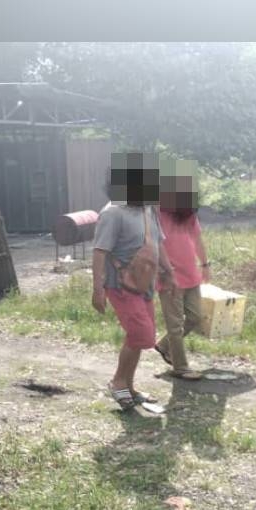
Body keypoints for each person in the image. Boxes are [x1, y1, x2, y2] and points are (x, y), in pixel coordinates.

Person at [92, 156, 175, 411]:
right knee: (143, 335)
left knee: (139, 337)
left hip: (145, 284)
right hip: (121, 285)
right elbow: (99, 252)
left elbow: (158, 243)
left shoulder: (147, 209)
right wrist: (97, 289)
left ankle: (129, 386)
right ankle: (118, 381)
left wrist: (168, 271)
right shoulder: (112, 213)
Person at [155, 162, 210, 380]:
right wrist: (165, 270)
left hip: (191, 274)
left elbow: (197, 239)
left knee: (195, 317)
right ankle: (181, 367)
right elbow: (154, 243)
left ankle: (163, 345)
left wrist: (205, 264)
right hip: (168, 276)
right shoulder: (157, 212)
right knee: (175, 324)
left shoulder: (188, 213)